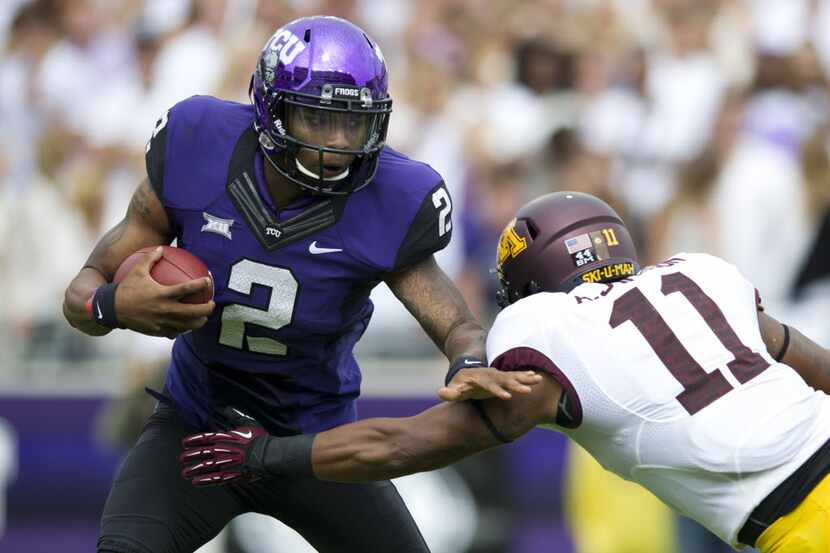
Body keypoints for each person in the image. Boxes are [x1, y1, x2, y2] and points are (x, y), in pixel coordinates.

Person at [63, 16, 539, 553]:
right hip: (196, 427)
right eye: (318, 118)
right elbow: (80, 293)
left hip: (314, 444)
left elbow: (455, 323)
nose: (337, 144)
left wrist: (470, 363)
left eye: (353, 123)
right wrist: (113, 304)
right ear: (272, 108)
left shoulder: (392, 196)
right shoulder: (198, 144)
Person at [183, 191, 830, 553]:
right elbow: (815, 365)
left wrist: (271, 453)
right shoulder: (702, 274)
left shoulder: (547, 329)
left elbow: (402, 443)